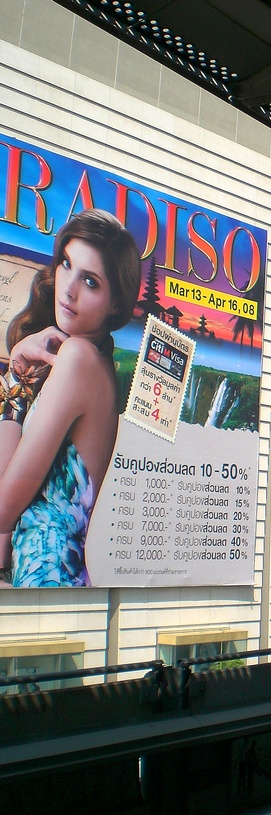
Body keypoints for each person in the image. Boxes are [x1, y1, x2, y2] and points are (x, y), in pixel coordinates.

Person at [0, 209, 140, 587]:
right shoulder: (89, 363)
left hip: (47, 579)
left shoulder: (78, 359)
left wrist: (14, 379)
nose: (69, 288)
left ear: (114, 303)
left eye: (90, 281)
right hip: (47, 577)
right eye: (66, 264)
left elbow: (2, 509)